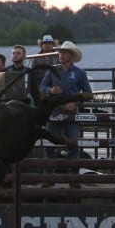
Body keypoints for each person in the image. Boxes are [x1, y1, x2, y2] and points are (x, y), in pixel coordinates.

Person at [39, 41, 92, 188]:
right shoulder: (52, 71)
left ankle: (73, 179)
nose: (61, 55)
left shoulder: (80, 73)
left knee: (73, 146)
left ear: (71, 56)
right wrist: (51, 90)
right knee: (50, 147)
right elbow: (42, 87)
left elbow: (88, 94)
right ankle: (49, 178)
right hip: (54, 113)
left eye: (65, 52)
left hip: (70, 115)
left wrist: (76, 103)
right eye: (60, 52)